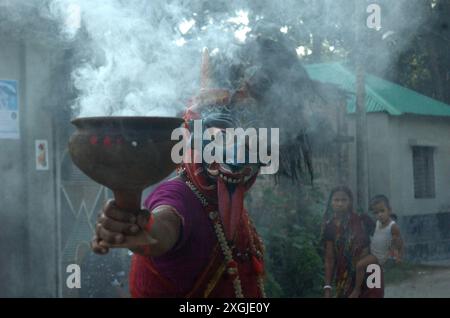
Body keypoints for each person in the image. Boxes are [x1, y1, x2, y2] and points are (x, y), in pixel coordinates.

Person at [90, 36, 315, 298]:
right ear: (193, 128)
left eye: (257, 138)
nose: (238, 150)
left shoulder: (222, 204)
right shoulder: (178, 199)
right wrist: (142, 230)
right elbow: (163, 229)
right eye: (220, 134)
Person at [322, 186, 382, 298]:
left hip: (370, 273)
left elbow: (382, 239)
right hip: (344, 277)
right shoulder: (329, 227)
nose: (340, 204)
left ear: (350, 202)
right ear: (331, 202)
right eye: (336, 200)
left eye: (344, 200)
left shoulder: (363, 220)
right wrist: (327, 287)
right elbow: (329, 259)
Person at [349, 195, 403, 298]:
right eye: (376, 213)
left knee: (361, 266)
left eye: (382, 211)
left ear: (389, 210)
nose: (379, 215)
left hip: (377, 258)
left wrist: (397, 255)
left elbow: (398, 242)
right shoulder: (377, 223)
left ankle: (356, 290)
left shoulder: (391, 227)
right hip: (371, 255)